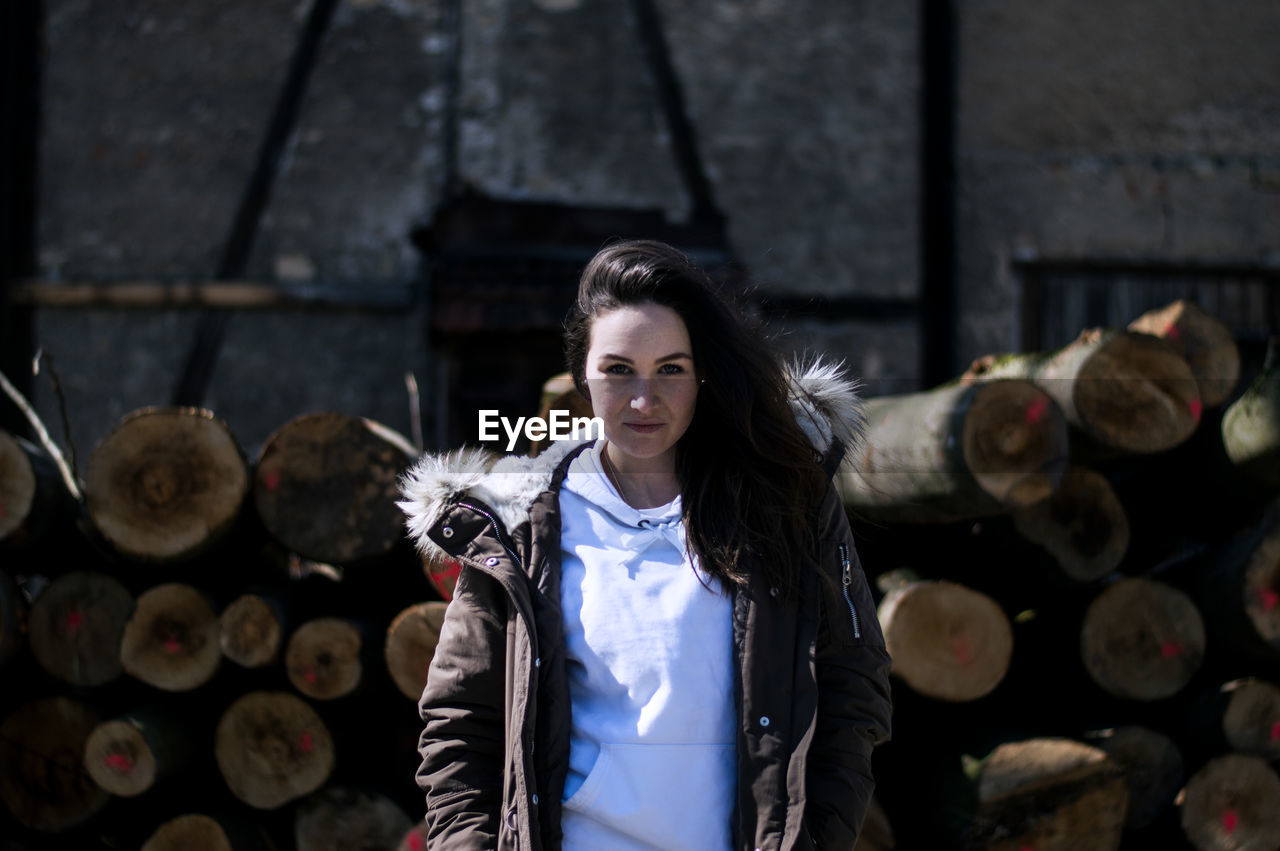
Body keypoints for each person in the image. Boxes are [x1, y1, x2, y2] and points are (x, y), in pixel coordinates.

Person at [399, 239, 892, 851]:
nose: (643, 400)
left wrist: (818, 838)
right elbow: (459, 723)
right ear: (582, 374)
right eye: (618, 369)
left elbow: (854, 684)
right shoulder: (518, 524)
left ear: (703, 373)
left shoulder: (785, 502)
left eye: (670, 369)